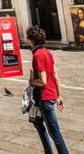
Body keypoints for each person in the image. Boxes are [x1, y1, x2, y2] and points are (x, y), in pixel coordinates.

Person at [26, 25, 69, 154]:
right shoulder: (47, 52)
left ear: (32, 40)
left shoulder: (38, 55)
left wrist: (31, 81)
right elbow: (55, 75)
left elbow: (43, 81)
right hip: (48, 96)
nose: (27, 40)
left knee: (54, 133)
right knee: (37, 122)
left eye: (28, 38)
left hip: (45, 97)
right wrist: (59, 96)